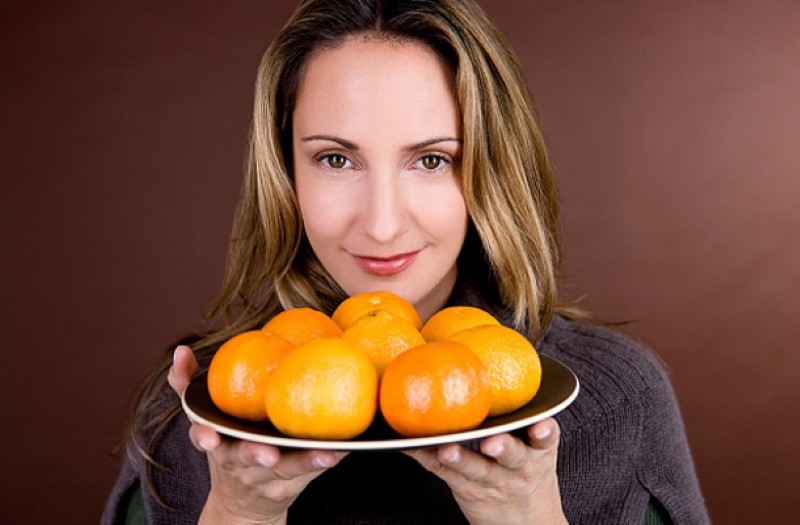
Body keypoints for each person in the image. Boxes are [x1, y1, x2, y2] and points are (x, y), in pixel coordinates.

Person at [102, 0, 709, 523]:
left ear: (493, 171)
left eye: (432, 160)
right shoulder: (201, 413)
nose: (383, 223)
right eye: (337, 159)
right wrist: (239, 514)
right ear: (284, 171)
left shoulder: (614, 400)